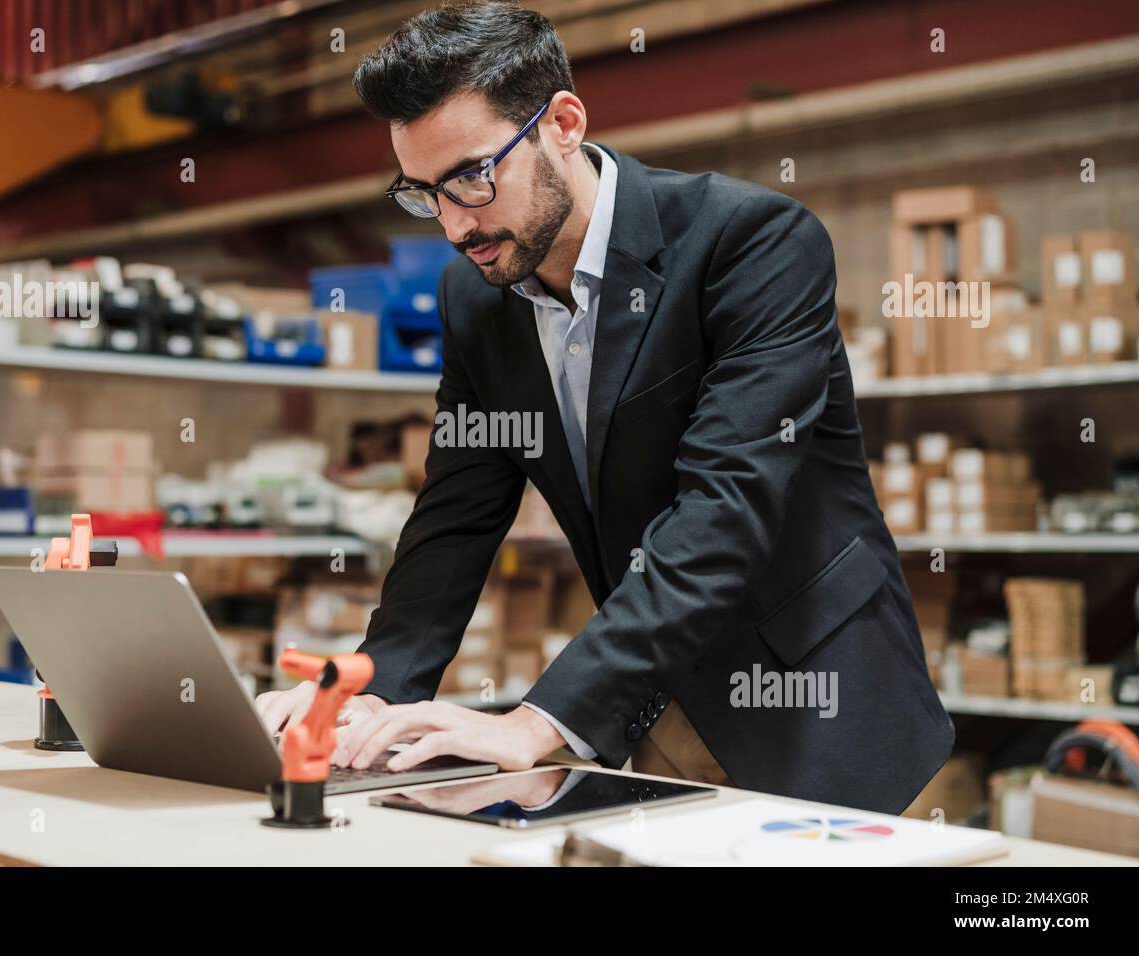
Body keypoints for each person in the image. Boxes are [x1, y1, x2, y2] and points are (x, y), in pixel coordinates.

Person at [256, 0, 953, 814]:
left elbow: (725, 510)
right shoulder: (478, 297)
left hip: (807, 695)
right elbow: (456, 515)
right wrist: (373, 690)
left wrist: (534, 722)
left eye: (473, 178)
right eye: (422, 194)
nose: (454, 224)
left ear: (563, 122)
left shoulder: (752, 244)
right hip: (643, 700)